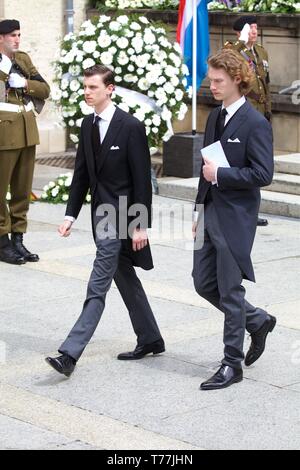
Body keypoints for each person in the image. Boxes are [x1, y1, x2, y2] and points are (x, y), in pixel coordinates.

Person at [46, 65, 165, 378]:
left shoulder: (130, 126)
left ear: (110, 89)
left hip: (124, 215)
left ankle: (70, 353)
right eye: (85, 87)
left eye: (93, 87)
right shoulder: (87, 124)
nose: (87, 92)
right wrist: (70, 214)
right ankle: (150, 337)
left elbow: (142, 180)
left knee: (98, 282)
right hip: (102, 215)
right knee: (123, 275)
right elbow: (82, 174)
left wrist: (140, 225)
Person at [192, 49, 276, 391]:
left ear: (237, 80)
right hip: (211, 211)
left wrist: (222, 174)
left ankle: (232, 363)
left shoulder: (256, 123)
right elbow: (205, 167)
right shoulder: (215, 117)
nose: (211, 86)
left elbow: (263, 174)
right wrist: (199, 209)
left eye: (218, 81)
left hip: (236, 217)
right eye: (210, 80)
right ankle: (257, 320)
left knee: (229, 289)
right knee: (202, 283)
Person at [0, 19, 50, 265]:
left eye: (19, 34)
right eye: (12, 35)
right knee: (0, 191)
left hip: (27, 131)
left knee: (22, 189)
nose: (17, 39)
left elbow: (45, 89)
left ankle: (18, 238)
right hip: (3, 135)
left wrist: (26, 83)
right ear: (0, 38)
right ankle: (2, 241)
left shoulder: (23, 60)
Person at [224, 15, 272, 226]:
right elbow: (226, 62)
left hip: (259, 113)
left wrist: (268, 110)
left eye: (255, 27)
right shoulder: (233, 49)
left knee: (258, 163)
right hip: (243, 113)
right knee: (242, 162)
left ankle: (253, 210)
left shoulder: (260, 52)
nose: (254, 31)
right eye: (249, 28)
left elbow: (265, 83)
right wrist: (241, 42)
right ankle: (241, 209)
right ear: (239, 31)